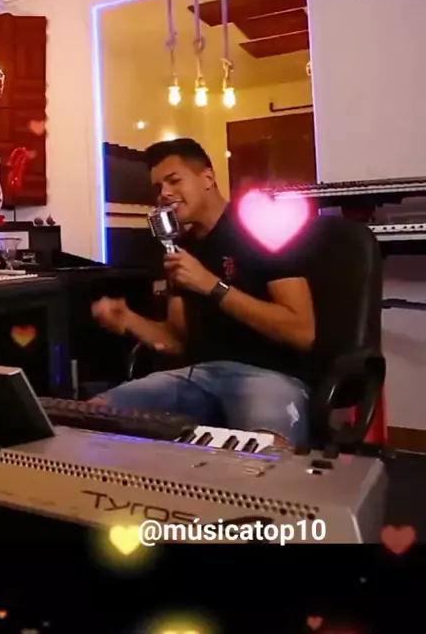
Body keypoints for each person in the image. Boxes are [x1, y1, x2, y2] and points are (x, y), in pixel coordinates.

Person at [91, 138, 316, 445]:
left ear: (207, 178)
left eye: (174, 181)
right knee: (94, 414)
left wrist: (211, 285)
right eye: (158, 187)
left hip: (269, 376)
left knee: (264, 453)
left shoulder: (264, 229)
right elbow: (176, 342)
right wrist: (129, 319)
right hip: (199, 377)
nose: (164, 193)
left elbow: (302, 332)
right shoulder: (181, 249)